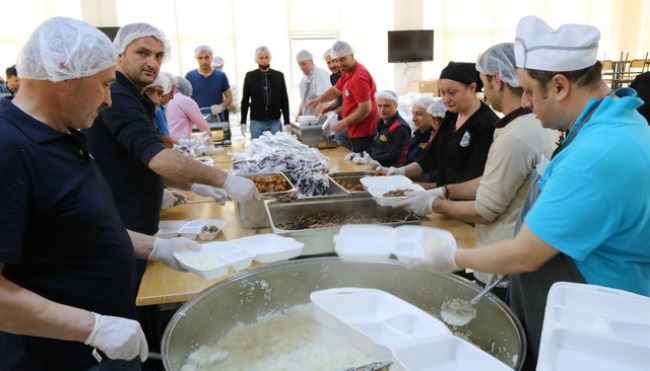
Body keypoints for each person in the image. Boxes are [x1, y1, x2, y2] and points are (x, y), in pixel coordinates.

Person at [408, 16, 650, 369]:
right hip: (577, 306)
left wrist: (453, 257)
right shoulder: (617, 120)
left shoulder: (595, 155)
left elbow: (524, 255)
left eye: (530, 92)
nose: (526, 103)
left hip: (593, 326)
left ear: (561, 86)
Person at [0, 17, 199, 370]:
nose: (109, 100)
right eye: (105, 84)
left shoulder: (66, 137)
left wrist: (155, 246)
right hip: (63, 357)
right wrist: (91, 327)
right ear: (64, 75)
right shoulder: (9, 149)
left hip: (109, 345)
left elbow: (77, 229)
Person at [84, 23, 257, 281]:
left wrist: (194, 185)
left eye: (158, 56)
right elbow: (158, 158)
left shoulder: (135, 96)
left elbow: (140, 162)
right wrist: (224, 179)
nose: (152, 62)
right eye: (142, 53)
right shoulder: (119, 96)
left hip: (139, 225)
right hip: (124, 227)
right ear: (119, 55)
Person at [396, 43, 556, 288]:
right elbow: (493, 181)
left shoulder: (514, 136)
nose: (484, 91)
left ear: (497, 80)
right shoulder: (529, 125)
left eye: (483, 82)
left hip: (500, 266)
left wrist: (434, 203)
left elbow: (485, 209)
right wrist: (445, 191)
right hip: (507, 256)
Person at [380, 62, 497, 187]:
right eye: (442, 92)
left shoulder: (486, 124)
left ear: (472, 88)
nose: (445, 99)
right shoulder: (451, 115)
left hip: (461, 200)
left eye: (452, 92)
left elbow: (475, 179)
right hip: (442, 195)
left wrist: (424, 188)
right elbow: (431, 157)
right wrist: (401, 172)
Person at [307, 41, 379, 153]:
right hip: (353, 129)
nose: (339, 64)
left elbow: (365, 108)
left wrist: (344, 122)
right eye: (337, 60)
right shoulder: (347, 73)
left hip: (364, 132)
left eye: (342, 59)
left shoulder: (358, 76)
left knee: (359, 164)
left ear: (352, 56)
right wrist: (319, 100)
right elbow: (335, 91)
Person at [346, 90, 410, 167]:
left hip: (389, 171)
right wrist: (360, 154)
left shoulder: (401, 128)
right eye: (379, 106)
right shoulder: (380, 122)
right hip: (375, 165)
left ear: (396, 105)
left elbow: (393, 156)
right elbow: (376, 148)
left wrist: (369, 160)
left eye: (387, 106)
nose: (382, 109)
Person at [240, 46, 291, 138]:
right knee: (257, 149)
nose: (264, 60)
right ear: (256, 59)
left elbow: (284, 99)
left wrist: (287, 121)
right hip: (256, 121)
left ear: (270, 58)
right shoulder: (250, 76)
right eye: (261, 58)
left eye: (266, 57)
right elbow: (245, 100)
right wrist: (243, 121)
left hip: (275, 120)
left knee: (276, 149)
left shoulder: (279, 76)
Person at [399, 95, 446, 182]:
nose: (413, 119)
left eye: (419, 114)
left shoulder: (435, 139)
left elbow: (429, 169)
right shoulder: (417, 136)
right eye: (412, 113)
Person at [185, 45, 232, 122]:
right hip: (196, 120)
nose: (204, 61)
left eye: (206, 57)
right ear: (196, 59)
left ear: (211, 57)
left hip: (217, 118)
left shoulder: (220, 76)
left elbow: (229, 97)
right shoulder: (190, 76)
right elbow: (183, 99)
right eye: (200, 58)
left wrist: (221, 107)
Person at [166, 76, 212, 140]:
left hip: (167, 142)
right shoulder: (186, 100)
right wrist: (210, 141)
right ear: (186, 89)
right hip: (180, 143)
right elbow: (202, 125)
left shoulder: (165, 100)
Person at [322, 48, 351, 148]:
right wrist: (327, 109)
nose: (332, 66)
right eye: (328, 62)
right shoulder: (333, 77)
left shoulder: (350, 75)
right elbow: (340, 99)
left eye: (334, 61)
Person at [143, 73, 178, 147]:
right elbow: (167, 141)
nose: (156, 100)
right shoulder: (157, 111)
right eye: (150, 91)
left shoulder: (157, 110)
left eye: (159, 94)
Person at [295, 49, 331, 117]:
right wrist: (298, 119)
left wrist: (313, 120)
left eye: (303, 64)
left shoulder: (320, 75)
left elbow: (323, 101)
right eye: (299, 64)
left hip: (321, 119)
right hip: (307, 119)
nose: (301, 67)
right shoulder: (303, 80)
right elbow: (303, 102)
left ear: (311, 61)